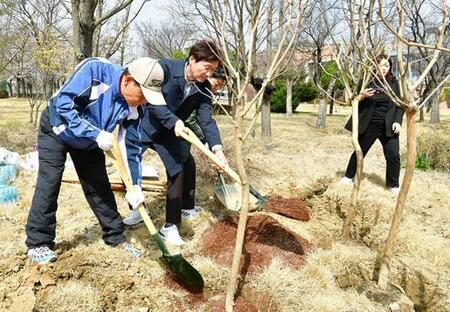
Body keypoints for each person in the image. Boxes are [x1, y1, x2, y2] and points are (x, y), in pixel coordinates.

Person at [25, 57, 164, 264]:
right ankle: (38, 242)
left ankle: (115, 236)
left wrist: (134, 186)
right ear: (127, 80)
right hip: (58, 129)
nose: (143, 102)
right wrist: (95, 133)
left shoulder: (137, 108)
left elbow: (131, 147)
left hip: (90, 140)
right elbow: (64, 105)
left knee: (99, 186)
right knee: (50, 181)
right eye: (143, 95)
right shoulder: (95, 72)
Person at [122, 40, 229, 246]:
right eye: (207, 68)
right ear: (192, 59)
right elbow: (153, 103)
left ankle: (170, 226)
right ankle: (137, 210)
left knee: (178, 169)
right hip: (146, 126)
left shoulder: (204, 88)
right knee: (131, 165)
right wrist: (174, 121)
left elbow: (206, 120)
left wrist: (217, 149)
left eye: (213, 70)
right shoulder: (164, 70)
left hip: (171, 134)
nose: (209, 74)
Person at [340, 53, 404, 193]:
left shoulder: (395, 83)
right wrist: (362, 96)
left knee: (393, 155)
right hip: (369, 124)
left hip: (388, 125)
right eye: (381, 65)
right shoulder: (367, 81)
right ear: (375, 66)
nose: (384, 68)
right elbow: (352, 100)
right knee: (360, 151)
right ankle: (348, 176)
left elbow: (400, 105)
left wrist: (398, 122)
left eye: (387, 65)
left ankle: (393, 185)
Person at [185, 66, 227, 143]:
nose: (217, 88)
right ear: (209, 77)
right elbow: (190, 120)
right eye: (217, 84)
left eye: (220, 86)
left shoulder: (206, 94)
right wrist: (202, 139)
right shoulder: (198, 91)